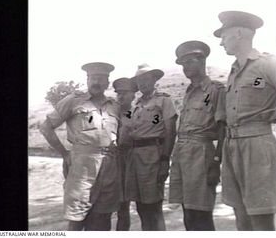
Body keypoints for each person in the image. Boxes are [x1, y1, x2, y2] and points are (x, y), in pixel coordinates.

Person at [214, 10, 276, 230]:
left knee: (260, 214)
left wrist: (272, 114)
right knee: (239, 212)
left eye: (224, 36)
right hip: (232, 146)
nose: (221, 42)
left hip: (257, 144)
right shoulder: (233, 70)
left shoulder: (267, 64)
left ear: (239, 33)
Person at [40, 62, 121, 231]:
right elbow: (46, 127)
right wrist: (64, 154)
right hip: (82, 166)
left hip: (109, 165)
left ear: (107, 82)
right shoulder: (73, 101)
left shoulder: (114, 105)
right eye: (92, 78)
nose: (96, 82)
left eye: (100, 78)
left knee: (103, 216)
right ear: (87, 80)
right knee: (77, 216)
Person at [169, 41, 226, 231]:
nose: (185, 67)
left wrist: (216, 161)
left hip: (202, 154)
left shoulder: (215, 90)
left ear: (202, 61)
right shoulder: (188, 92)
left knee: (201, 213)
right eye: (183, 63)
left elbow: (222, 128)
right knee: (188, 213)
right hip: (182, 154)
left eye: (190, 61)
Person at [125, 64, 177, 230]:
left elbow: (170, 131)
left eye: (146, 79)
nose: (142, 84)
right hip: (135, 156)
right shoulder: (136, 105)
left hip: (152, 155)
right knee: (140, 206)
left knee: (153, 207)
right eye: (139, 81)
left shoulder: (163, 100)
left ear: (154, 80)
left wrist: (164, 159)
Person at [112, 77, 138, 231]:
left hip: (127, 163)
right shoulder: (109, 112)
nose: (120, 96)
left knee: (123, 207)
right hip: (109, 162)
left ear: (133, 95)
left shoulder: (138, 113)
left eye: (124, 93)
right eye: (118, 93)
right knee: (103, 207)